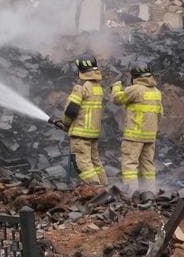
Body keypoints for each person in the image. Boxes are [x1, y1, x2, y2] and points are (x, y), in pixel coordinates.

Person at [49, 56, 107, 185]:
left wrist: (65, 124)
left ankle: (96, 188)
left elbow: (71, 111)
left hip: (81, 134)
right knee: (94, 161)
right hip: (93, 132)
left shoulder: (81, 88)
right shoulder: (98, 88)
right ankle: (105, 186)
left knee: (82, 163)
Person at [112, 62, 163, 192]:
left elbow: (117, 99)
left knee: (129, 164)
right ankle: (150, 192)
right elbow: (160, 114)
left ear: (134, 76)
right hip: (150, 136)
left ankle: (131, 193)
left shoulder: (136, 89)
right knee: (148, 165)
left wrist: (116, 87)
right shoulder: (157, 92)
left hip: (135, 135)